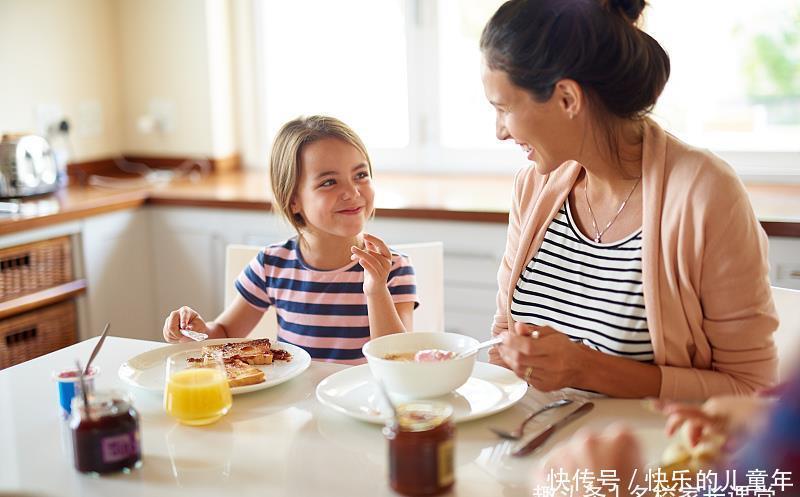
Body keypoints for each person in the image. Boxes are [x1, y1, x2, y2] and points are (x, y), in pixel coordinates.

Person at [480, 0, 778, 400]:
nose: (499, 132)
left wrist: (587, 368)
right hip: (535, 450)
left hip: (649, 459)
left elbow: (751, 389)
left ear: (567, 98)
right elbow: (503, 339)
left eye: (503, 109)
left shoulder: (704, 194)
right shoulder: (533, 187)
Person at [163, 115, 418, 364]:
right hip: (296, 405)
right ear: (293, 200)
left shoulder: (392, 268)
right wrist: (196, 332)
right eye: (329, 182)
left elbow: (396, 360)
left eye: (361, 175)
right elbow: (225, 334)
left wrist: (376, 290)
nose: (352, 192)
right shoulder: (271, 265)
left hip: (363, 405)